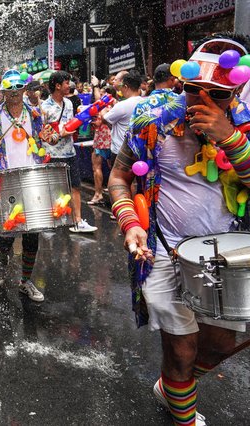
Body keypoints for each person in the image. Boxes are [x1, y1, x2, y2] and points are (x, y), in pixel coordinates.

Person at [108, 33, 250, 426]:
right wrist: (130, 222)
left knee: (223, 342)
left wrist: (231, 140)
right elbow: (119, 178)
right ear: (181, 83)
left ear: (235, 91)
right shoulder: (150, 122)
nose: (202, 102)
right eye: (193, 90)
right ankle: (182, 413)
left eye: (217, 94)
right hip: (163, 253)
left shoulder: (246, 126)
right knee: (183, 350)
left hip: (228, 257)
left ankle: (171, 385)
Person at [0, 69, 47, 302]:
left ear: (25, 89)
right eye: (9, 90)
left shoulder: (34, 113)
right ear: (2, 92)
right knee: (6, 234)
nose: (14, 94)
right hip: (3, 179)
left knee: (32, 234)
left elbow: (45, 137)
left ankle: (25, 281)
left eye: (18, 89)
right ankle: (3, 262)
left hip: (31, 178)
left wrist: (53, 137)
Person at [40, 71, 98, 233]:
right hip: (52, 154)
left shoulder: (69, 103)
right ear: (57, 86)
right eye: (66, 83)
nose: (69, 86)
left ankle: (77, 221)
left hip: (69, 152)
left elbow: (72, 124)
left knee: (75, 186)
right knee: (52, 188)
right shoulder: (44, 108)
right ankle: (50, 220)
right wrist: (59, 134)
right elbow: (42, 135)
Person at [102, 71, 144, 167]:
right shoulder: (146, 102)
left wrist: (104, 108)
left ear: (125, 87)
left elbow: (105, 119)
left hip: (121, 152)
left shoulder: (122, 105)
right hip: (139, 150)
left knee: (118, 180)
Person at [88, 86, 117, 205]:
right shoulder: (116, 104)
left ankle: (98, 194)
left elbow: (100, 121)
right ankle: (116, 198)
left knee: (97, 167)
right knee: (114, 170)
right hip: (113, 138)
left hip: (102, 138)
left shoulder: (102, 105)